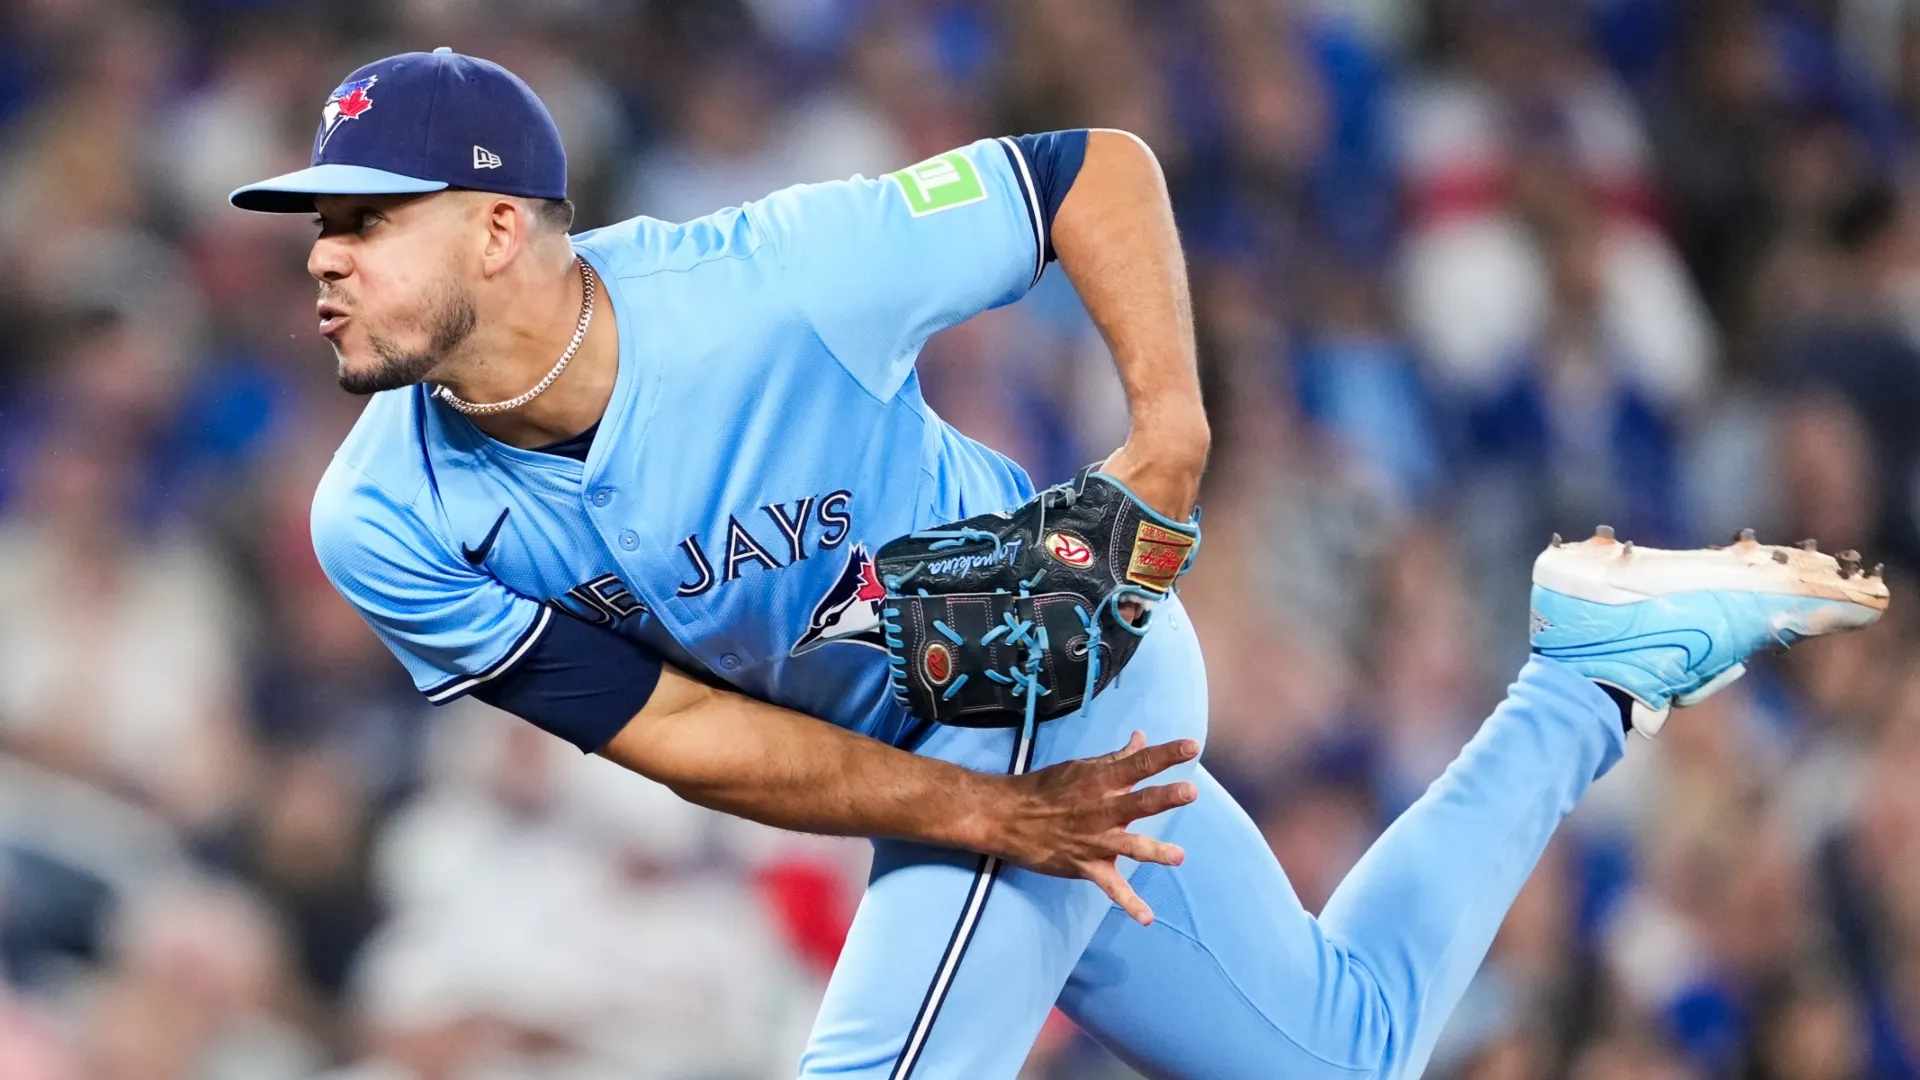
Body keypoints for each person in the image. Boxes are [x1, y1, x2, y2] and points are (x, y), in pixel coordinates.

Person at [230, 49, 1891, 1080]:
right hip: (930, 759)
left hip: (1050, 652)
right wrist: (971, 819)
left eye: (366, 219)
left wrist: (1166, 431)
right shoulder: (379, 517)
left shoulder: (768, 282)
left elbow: (1093, 171)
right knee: (1342, 1052)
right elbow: (669, 730)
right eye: (318, 225)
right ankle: (1584, 681)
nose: (324, 255)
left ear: (502, 225)